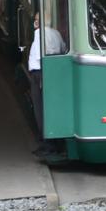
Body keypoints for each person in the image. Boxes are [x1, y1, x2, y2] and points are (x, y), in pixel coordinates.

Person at [27, 11, 65, 159]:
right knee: (50, 109)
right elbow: (62, 49)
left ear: (40, 22)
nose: (34, 23)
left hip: (39, 74)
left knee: (39, 110)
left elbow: (39, 56)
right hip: (52, 73)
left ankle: (48, 146)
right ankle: (52, 143)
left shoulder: (39, 34)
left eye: (36, 20)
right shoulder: (56, 33)